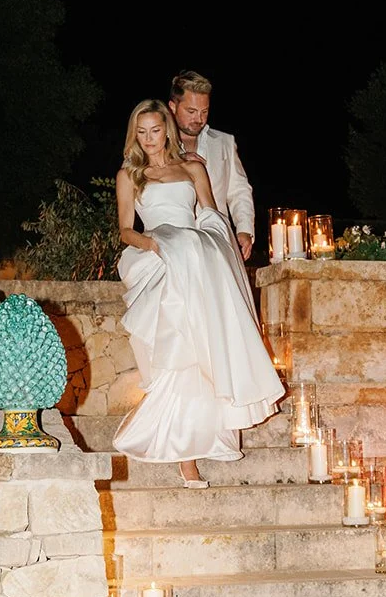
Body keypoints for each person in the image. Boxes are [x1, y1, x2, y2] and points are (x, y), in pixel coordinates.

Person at [113, 99, 284, 487]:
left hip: (197, 258)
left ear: (167, 130)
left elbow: (211, 216)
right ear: (134, 135)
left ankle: (200, 443)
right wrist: (153, 244)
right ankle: (185, 456)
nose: (149, 139)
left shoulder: (192, 168)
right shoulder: (129, 175)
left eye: (156, 130)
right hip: (158, 257)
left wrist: (208, 246)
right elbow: (125, 230)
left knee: (203, 351)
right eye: (142, 132)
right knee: (176, 354)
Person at [168, 72, 255, 262]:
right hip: (174, 248)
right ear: (173, 107)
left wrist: (244, 229)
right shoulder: (156, 145)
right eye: (191, 111)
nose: (199, 119)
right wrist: (177, 161)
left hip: (219, 245)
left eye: (204, 111)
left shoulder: (224, 142)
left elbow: (239, 191)